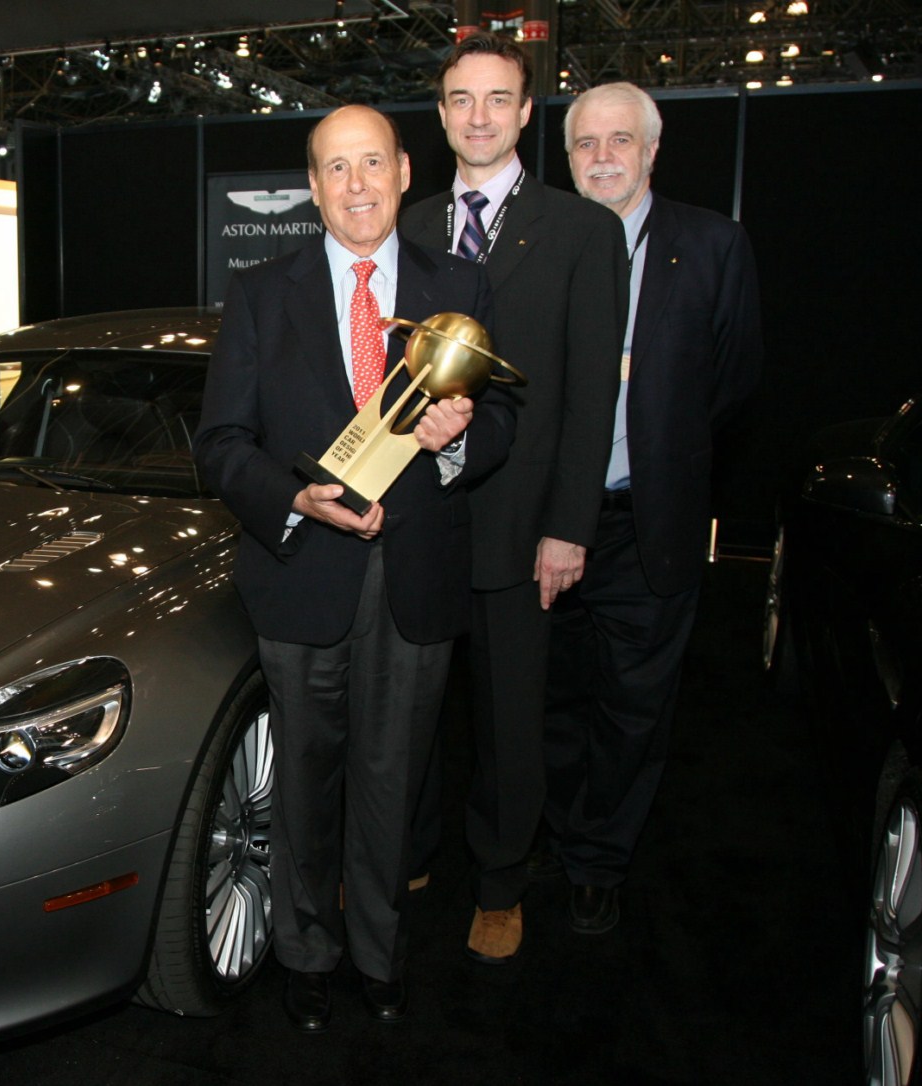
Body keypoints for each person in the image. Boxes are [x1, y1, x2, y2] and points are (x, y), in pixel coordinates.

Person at [195, 104, 515, 1032]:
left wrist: (458, 441)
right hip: (301, 573)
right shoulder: (261, 293)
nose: (357, 185)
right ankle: (306, 951)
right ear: (312, 187)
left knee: (392, 782)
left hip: (416, 580)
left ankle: (379, 955)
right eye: (336, 168)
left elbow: (504, 421)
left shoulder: (462, 286)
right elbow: (221, 444)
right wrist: (294, 499)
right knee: (303, 780)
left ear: (405, 171)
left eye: (371, 162)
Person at [399, 30, 627, 965]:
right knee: (408, 714)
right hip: (415, 517)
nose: (480, 116)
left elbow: (589, 397)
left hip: (524, 524)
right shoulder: (408, 226)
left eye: (499, 98)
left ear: (528, 113)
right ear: (442, 113)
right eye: (462, 99)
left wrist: (569, 527)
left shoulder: (582, 232)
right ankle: (408, 856)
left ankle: (499, 883)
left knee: (509, 721)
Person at [539, 82, 762, 933]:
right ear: (567, 157)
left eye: (620, 141)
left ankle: (599, 859)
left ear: (653, 150)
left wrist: (660, 451)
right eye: (586, 143)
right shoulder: (538, 246)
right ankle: (560, 828)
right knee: (553, 698)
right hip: (548, 525)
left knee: (633, 707)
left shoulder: (711, 246)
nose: (603, 158)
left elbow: (732, 384)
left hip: (649, 521)